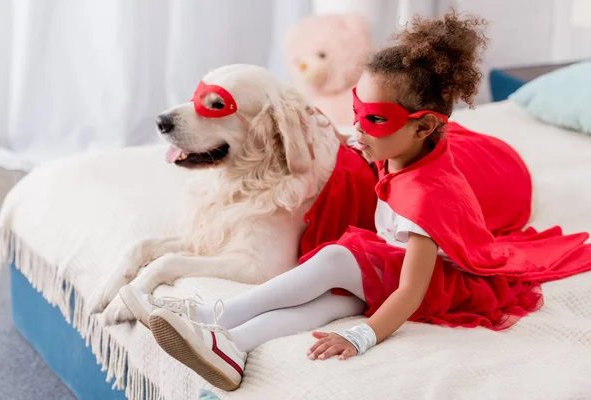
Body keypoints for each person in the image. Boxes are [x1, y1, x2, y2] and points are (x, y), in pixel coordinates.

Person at [123, 11, 591, 391]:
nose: (359, 132)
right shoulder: (396, 162)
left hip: (426, 284)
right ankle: (231, 346)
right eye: (356, 113)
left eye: (376, 121)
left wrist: (364, 335)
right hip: (391, 268)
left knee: (335, 259)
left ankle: (216, 316)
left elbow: (412, 289)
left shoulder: (428, 196)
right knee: (329, 300)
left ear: (423, 128)